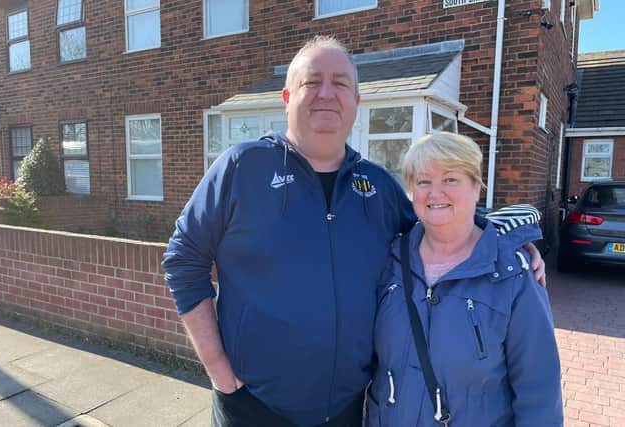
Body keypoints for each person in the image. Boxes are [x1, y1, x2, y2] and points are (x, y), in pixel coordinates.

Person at [162, 36, 546, 427]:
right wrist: (219, 371)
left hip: (347, 411)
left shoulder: (377, 187)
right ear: (287, 97)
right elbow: (183, 259)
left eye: (341, 83)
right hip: (252, 408)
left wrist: (508, 236)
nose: (326, 93)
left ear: (356, 102)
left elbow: (441, 224)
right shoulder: (242, 168)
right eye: (312, 81)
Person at [365, 132, 562, 427]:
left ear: (476, 187)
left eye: (450, 179)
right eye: (423, 181)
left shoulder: (513, 275)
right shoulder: (389, 259)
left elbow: (540, 391)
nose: (435, 192)